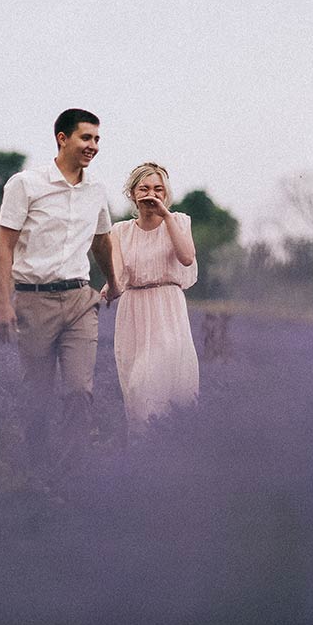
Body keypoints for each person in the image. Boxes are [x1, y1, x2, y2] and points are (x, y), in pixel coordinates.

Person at [0, 108, 120, 469]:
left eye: (97, 139)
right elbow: (4, 247)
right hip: (34, 301)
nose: (93, 146)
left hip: (81, 299)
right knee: (37, 396)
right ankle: (36, 472)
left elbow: (101, 240)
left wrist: (112, 279)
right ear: (62, 139)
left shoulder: (96, 190)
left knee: (80, 391)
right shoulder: (26, 184)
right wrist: (4, 303)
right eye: (86, 137)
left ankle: (72, 472)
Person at [103, 162, 199, 433]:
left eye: (158, 189)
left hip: (167, 309)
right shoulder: (120, 231)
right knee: (134, 387)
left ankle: (170, 447)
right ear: (132, 194)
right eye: (144, 189)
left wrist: (166, 217)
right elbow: (119, 274)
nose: (151, 194)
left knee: (153, 381)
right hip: (133, 312)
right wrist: (109, 287)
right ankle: (143, 457)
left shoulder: (178, 221)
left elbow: (187, 257)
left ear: (166, 194)